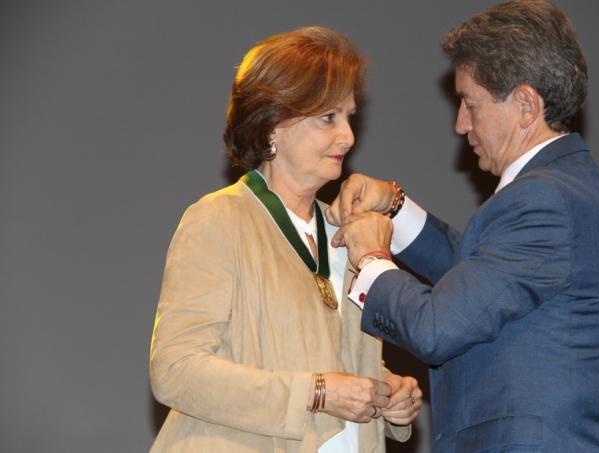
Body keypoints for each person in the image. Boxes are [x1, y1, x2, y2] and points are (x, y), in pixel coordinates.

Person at [328, 1, 599, 451]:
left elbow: (437, 327)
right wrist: (394, 206)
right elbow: (478, 283)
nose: (460, 124)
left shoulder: (546, 198)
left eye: (470, 103)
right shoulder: (564, 189)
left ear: (526, 104)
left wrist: (372, 259)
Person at [149, 26, 422, 452]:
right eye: (328, 118)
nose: (348, 136)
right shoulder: (218, 220)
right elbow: (175, 370)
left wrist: (388, 390)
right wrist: (315, 393)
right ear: (273, 123)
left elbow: (329, 358)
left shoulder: (344, 234)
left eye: (349, 116)